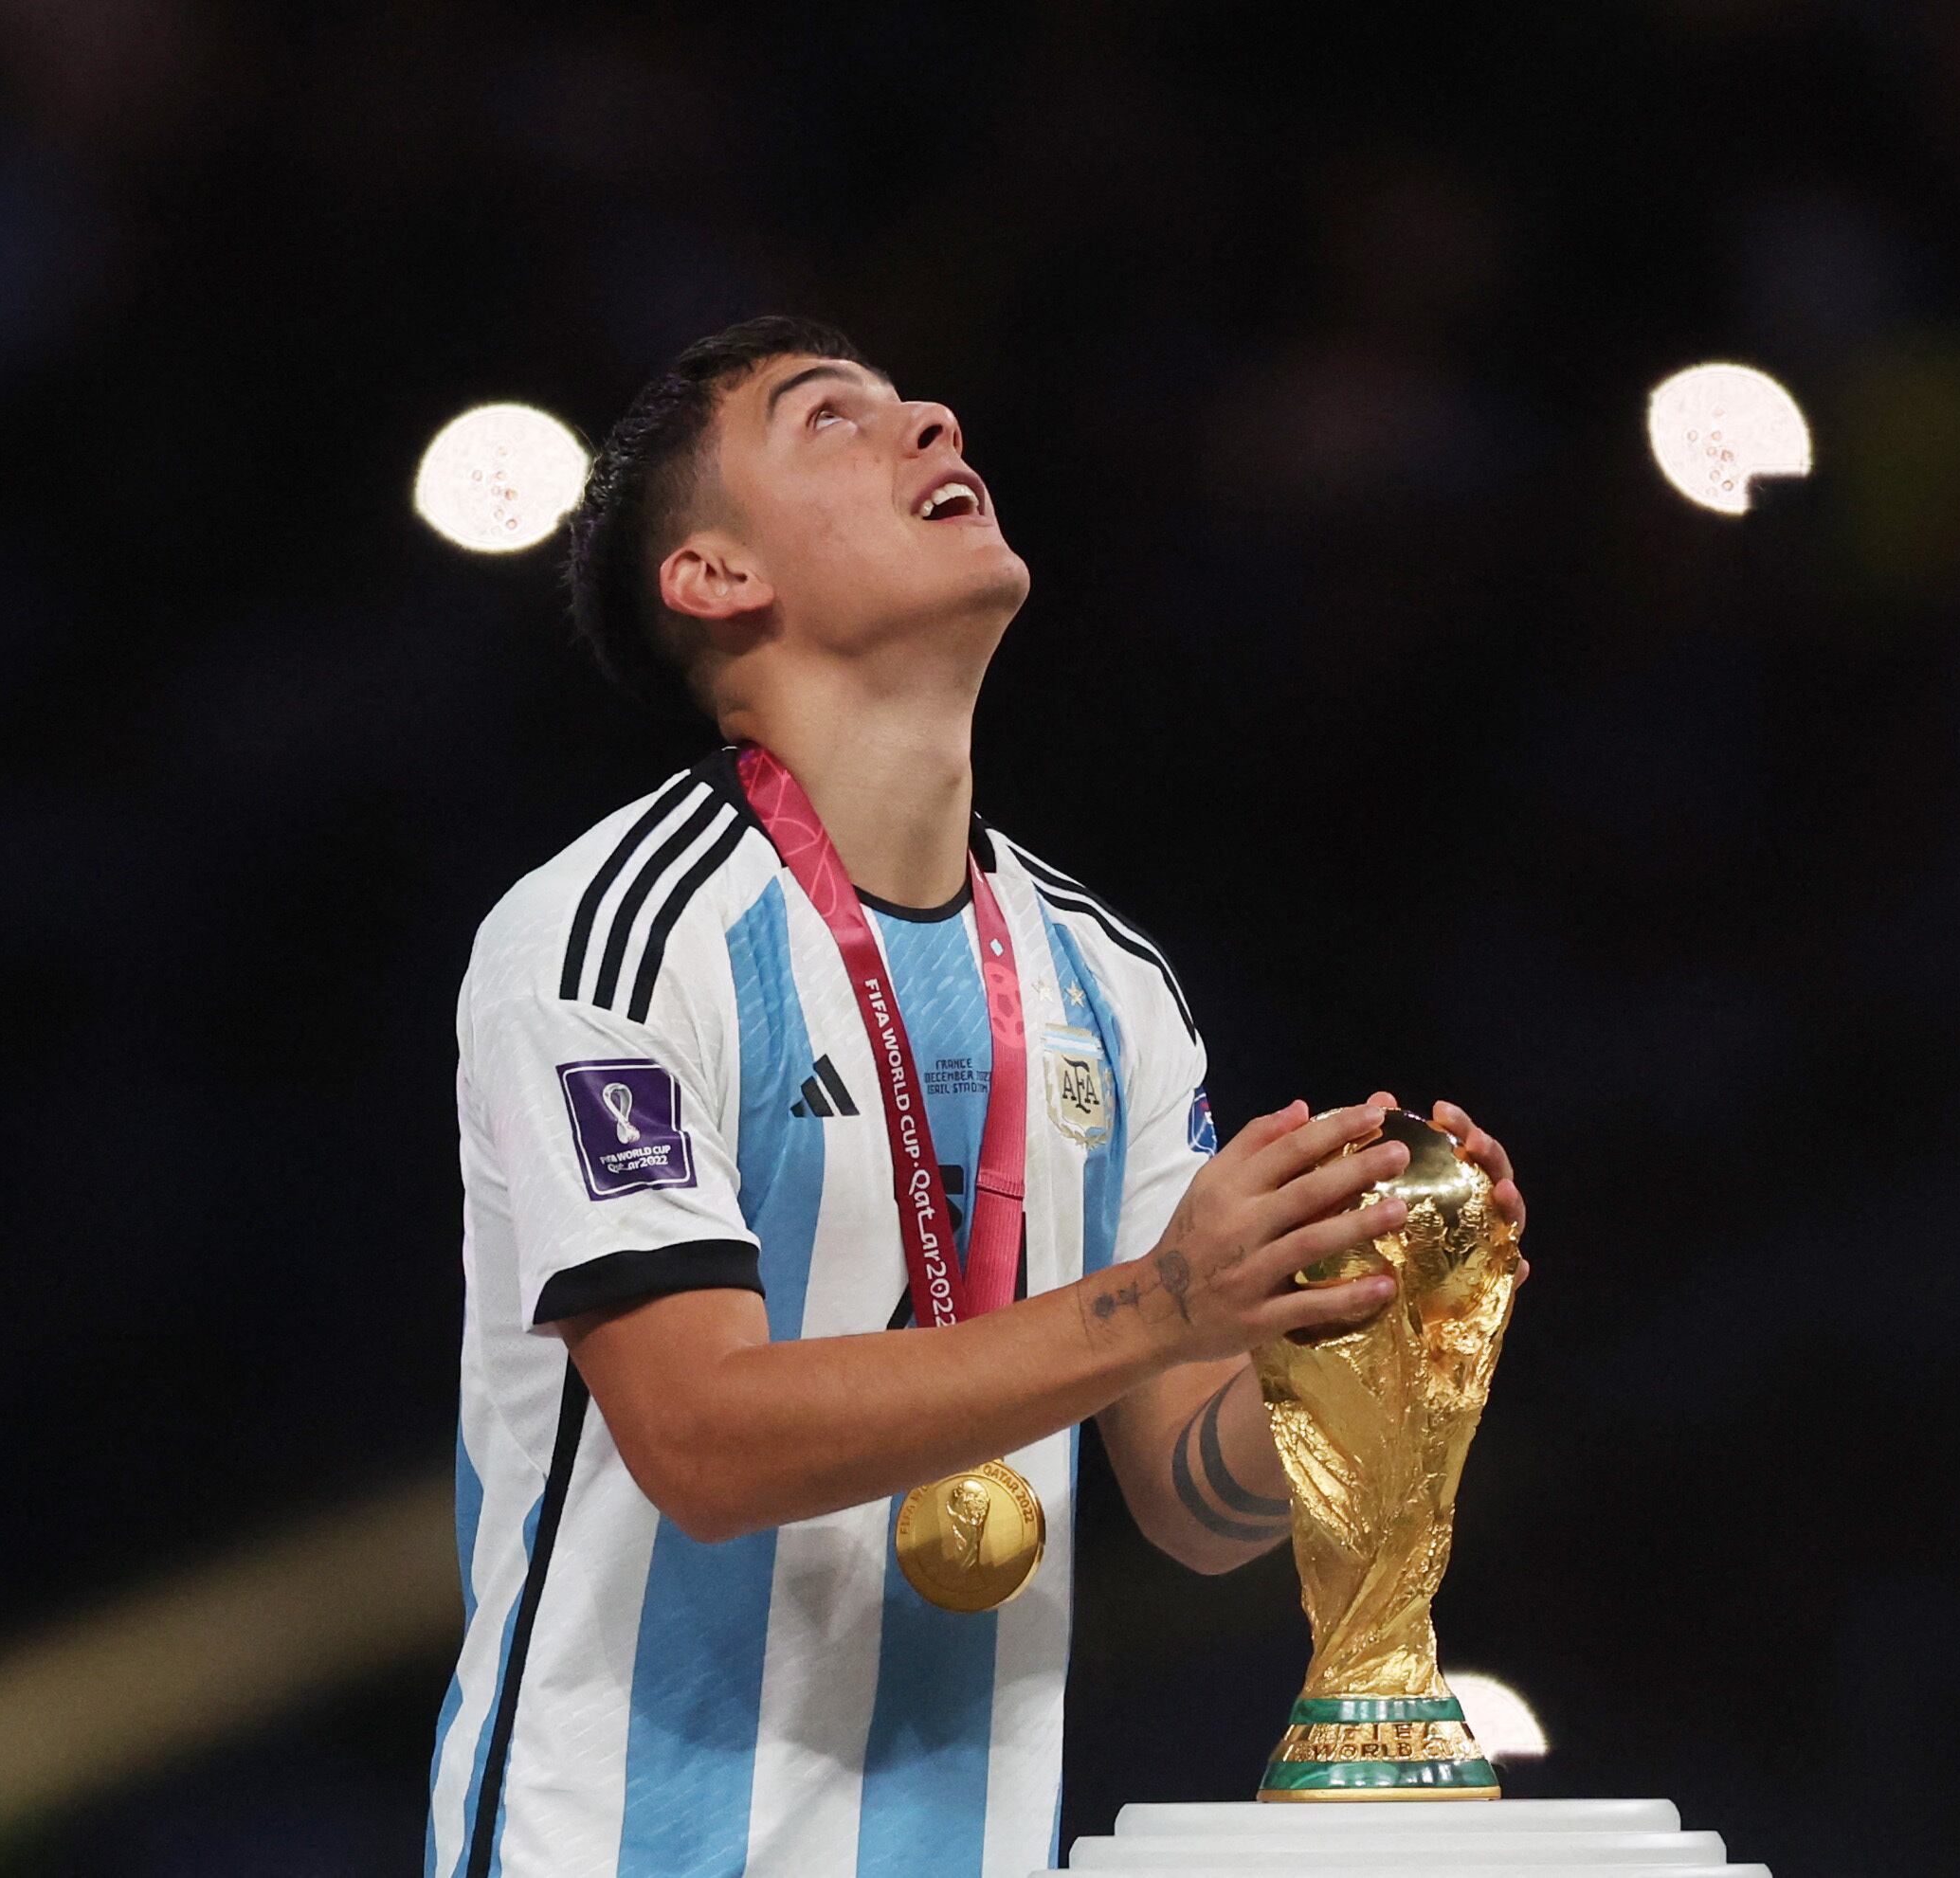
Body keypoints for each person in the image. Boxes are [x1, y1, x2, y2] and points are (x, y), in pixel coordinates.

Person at [430, 316, 1526, 1877]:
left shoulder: (1107, 978)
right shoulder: (608, 932)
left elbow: (1194, 1500)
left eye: (914, 402)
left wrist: (1369, 1356)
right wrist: (1160, 1299)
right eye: (832, 421)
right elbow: (700, 1435)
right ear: (716, 577)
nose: (931, 419)